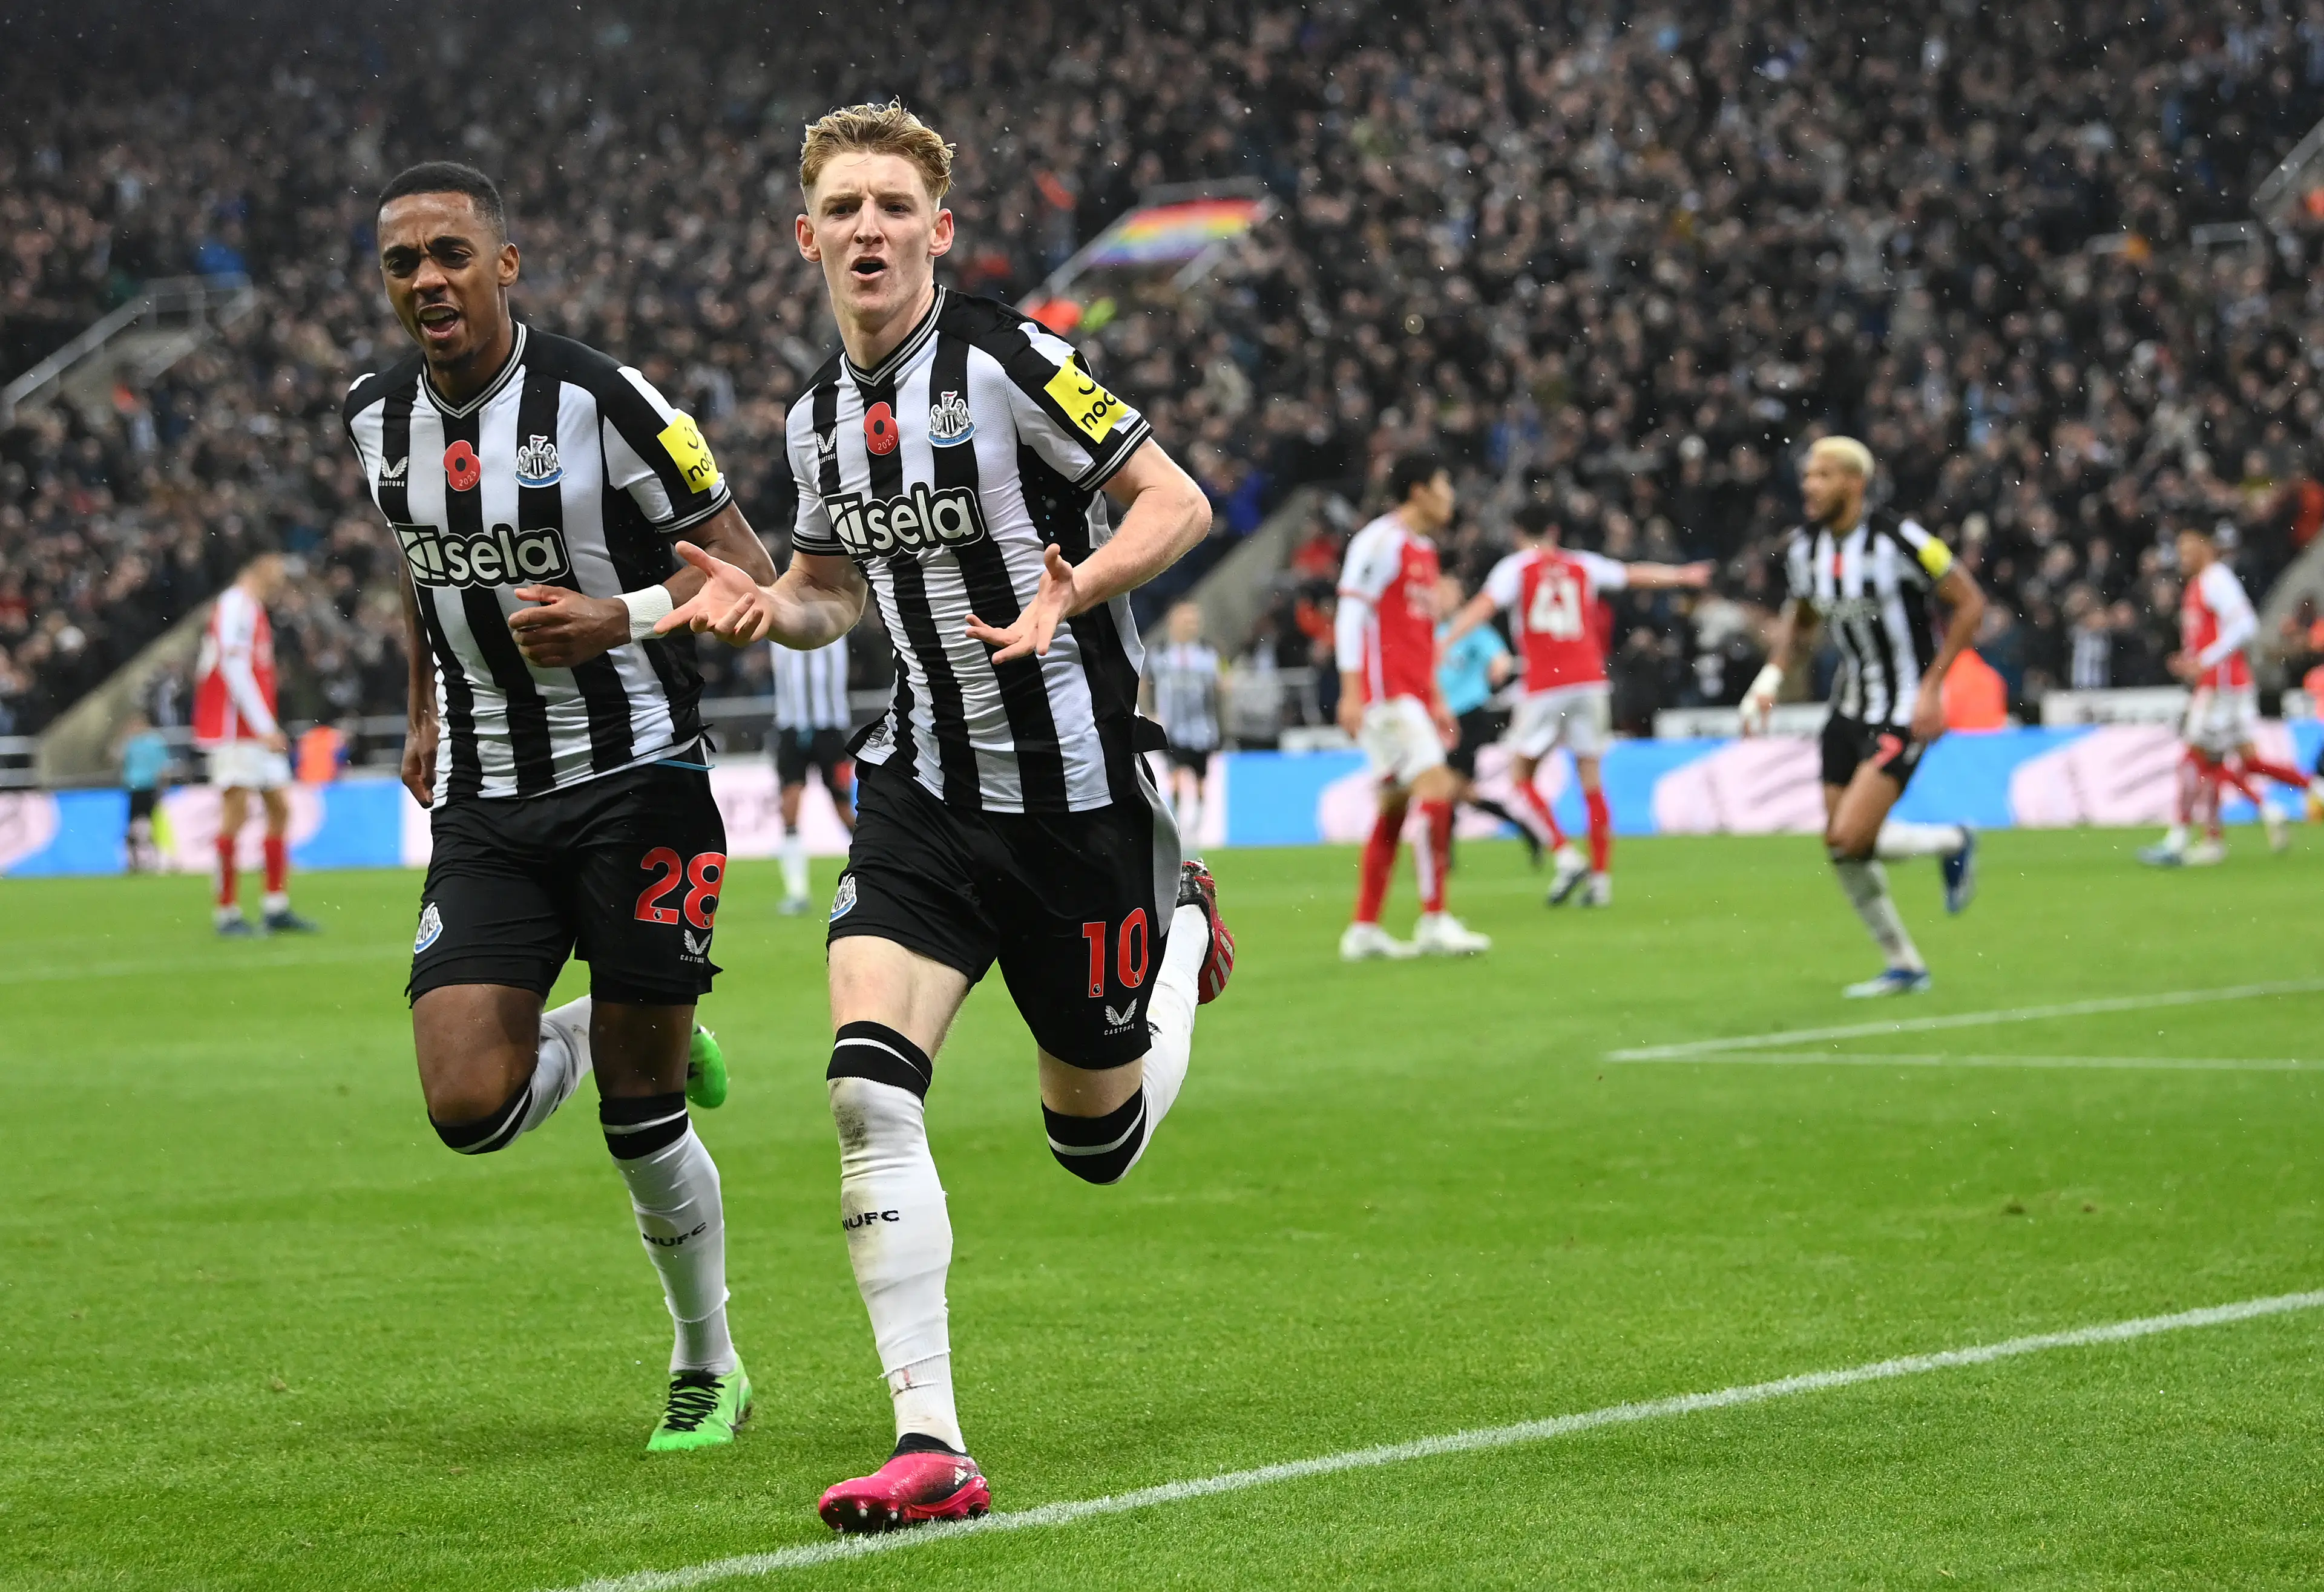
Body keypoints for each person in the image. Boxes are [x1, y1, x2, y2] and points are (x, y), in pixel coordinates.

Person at [656, 102, 1235, 1531]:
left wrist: (1075, 591)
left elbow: (1179, 501)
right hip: (920, 785)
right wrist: (757, 606)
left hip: (1077, 797)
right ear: (806, 237)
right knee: (863, 1084)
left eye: (893, 208)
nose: (868, 230)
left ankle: (1169, 937)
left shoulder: (1008, 362)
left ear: (939, 231)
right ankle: (932, 1438)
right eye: (843, 209)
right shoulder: (810, 419)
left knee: (1093, 1141)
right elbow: (828, 591)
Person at [344, 160, 780, 1450]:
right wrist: (425, 709)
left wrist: (624, 614)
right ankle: (607, 1020)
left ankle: (708, 1362)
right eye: (402, 262)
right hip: (484, 798)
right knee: (466, 1105)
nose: (428, 279)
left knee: (643, 1119)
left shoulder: (607, 401)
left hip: (638, 780)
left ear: (505, 263)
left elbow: (751, 577)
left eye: (450, 253)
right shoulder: (374, 416)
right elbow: (425, 574)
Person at [1742, 437, 1985, 998]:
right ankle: (1904, 962)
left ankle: (1954, 840)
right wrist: (1771, 678)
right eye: (1807, 475)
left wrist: (1932, 688)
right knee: (1840, 845)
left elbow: (1970, 602)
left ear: (1854, 483)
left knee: (1851, 836)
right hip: (1846, 708)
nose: (1809, 486)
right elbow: (1801, 622)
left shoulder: (1901, 539)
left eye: (1822, 475)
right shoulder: (1804, 549)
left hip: (1901, 709)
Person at [1443, 505, 1711, 906]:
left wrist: (1445, 641)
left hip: (1546, 683)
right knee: (1592, 782)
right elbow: (1633, 573)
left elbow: (1484, 608)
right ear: (1553, 530)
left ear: (1518, 534)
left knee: (1521, 777)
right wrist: (1681, 576)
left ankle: (1567, 856)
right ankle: (1601, 882)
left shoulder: (1515, 569)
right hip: (1589, 680)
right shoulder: (1581, 564)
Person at [1333, 452, 1492, 960]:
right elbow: (1351, 612)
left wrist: (1438, 696)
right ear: (1419, 490)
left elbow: (1419, 635)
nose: (1451, 494)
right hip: (1386, 697)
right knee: (1438, 789)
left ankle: (1363, 929)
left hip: (1412, 696)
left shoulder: (1424, 550)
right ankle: (1434, 919)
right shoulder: (1382, 541)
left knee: (1396, 808)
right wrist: (1352, 689)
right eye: (1445, 482)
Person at [2141, 523, 2312, 864]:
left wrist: (2203, 661)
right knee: (2236, 762)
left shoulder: (2217, 579)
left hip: (2221, 687)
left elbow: (2246, 625)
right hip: (2224, 684)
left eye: (2191, 549)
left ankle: (2180, 840)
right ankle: (2227, 832)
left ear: (2207, 548)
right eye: (2182, 551)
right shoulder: (2201, 583)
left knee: (2194, 758)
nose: (2184, 558)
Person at [194, 553, 317, 935]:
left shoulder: (252, 608)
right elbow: (232, 666)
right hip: (236, 729)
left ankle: (275, 905)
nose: (281, 581)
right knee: (236, 812)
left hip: (256, 729)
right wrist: (264, 725)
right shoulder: (235, 605)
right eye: (278, 572)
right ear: (258, 567)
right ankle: (227, 911)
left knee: (279, 807)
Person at [1430, 572, 1535, 865]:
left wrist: (1499, 668)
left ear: (1459, 598)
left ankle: (1443, 857)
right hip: (1441, 720)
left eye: (1447, 593)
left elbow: (1500, 657)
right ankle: (1525, 829)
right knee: (1462, 793)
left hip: (1470, 717)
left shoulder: (1472, 631)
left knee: (1447, 787)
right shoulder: (1430, 632)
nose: (1441, 599)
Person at [770, 632, 856, 913]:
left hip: (830, 730)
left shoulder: (833, 624)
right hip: (791, 729)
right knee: (789, 807)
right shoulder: (779, 623)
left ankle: (877, 875)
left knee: (844, 808)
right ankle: (797, 893)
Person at [1144, 600, 1223, 840]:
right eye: (1186, 621)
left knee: (1201, 778)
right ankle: (1177, 820)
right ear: (1173, 623)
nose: (1192, 626)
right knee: (1176, 775)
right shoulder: (1159, 654)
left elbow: (1219, 690)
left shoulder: (1208, 655)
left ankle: (1197, 820)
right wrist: (1150, 713)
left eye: (1194, 621)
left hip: (1203, 729)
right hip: (1173, 729)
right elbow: (1145, 685)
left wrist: (1221, 720)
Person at [118, 712, 172, 874]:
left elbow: (163, 767)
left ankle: (154, 860)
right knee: (136, 826)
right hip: (135, 787)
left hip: (148, 786)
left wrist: (163, 785)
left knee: (148, 825)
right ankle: (135, 861)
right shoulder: (133, 742)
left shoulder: (153, 742)